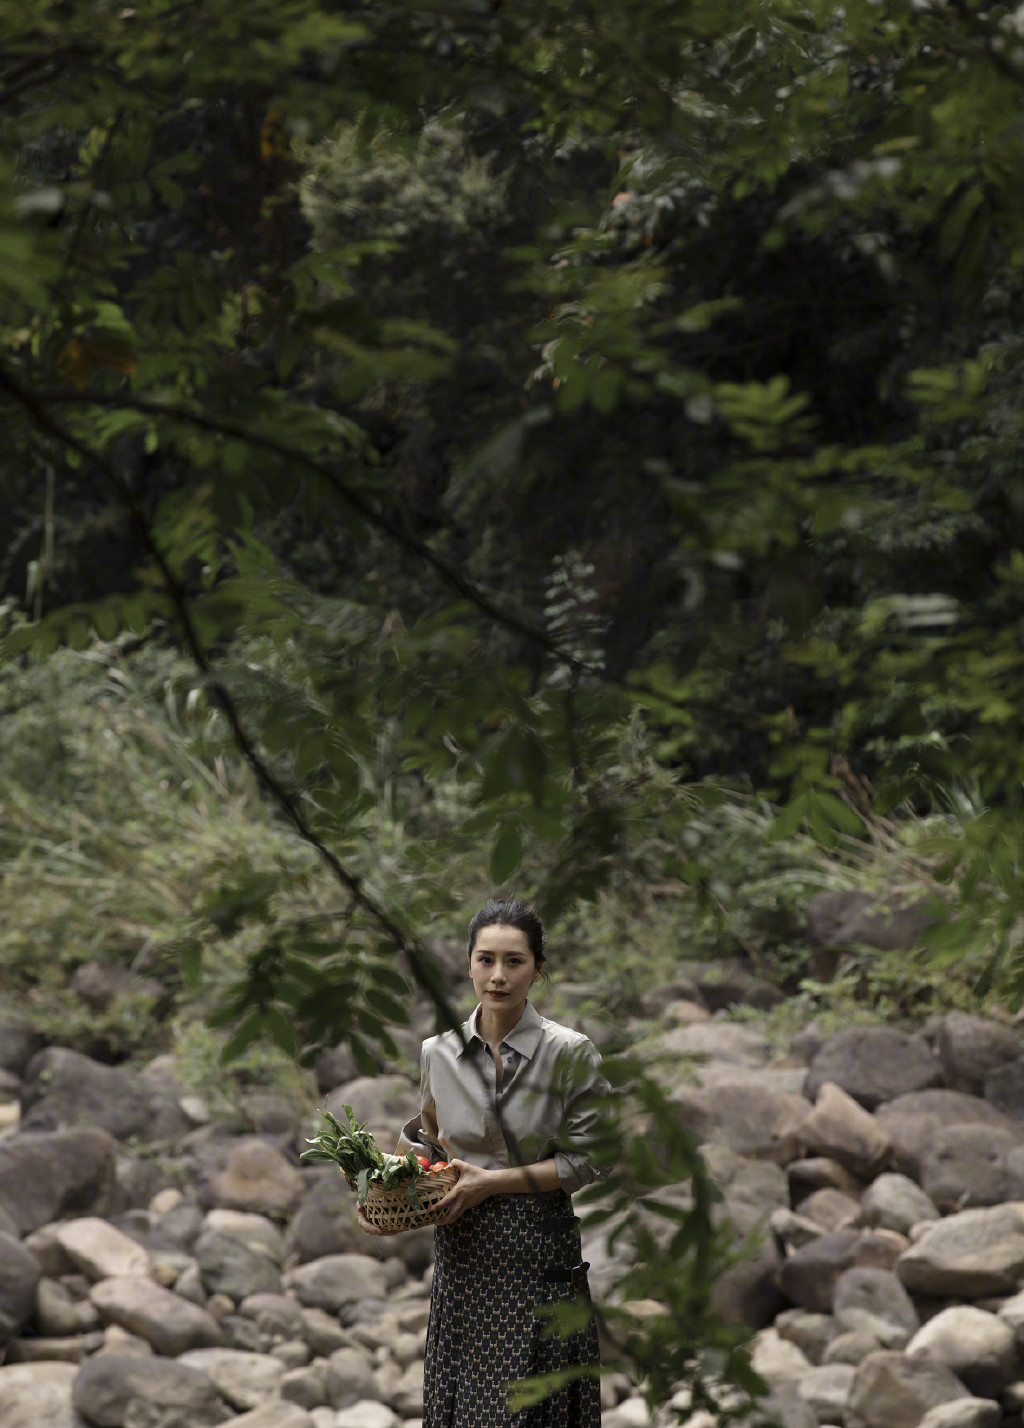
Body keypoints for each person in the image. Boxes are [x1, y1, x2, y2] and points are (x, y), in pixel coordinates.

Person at [358, 895, 612, 1428]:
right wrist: (384, 1194)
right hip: (464, 1259)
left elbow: (590, 1160)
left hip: (539, 1257)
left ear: (538, 969)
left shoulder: (570, 1053)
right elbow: (431, 1147)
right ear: (469, 963)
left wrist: (491, 1184)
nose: (498, 975)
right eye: (486, 960)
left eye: (514, 961)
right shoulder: (437, 1052)